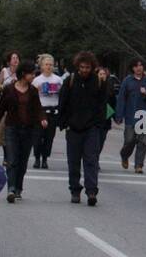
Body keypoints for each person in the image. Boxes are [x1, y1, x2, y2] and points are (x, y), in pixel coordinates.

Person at [0, 59, 47, 202]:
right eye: (31, 73)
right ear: (23, 74)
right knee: (12, 159)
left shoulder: (32, 91)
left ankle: (19, 187)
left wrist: (43, 118)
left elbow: (38, 108)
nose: (33, 76)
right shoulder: (9, 89)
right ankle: (11, 189)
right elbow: (0, 110)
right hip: (12, 128)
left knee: (23, 160)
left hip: (28, 129)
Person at [57, 51, 107, 205]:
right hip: (73, 128)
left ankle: (91, 191)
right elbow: (62, 103)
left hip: (91, 128)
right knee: (73, 162)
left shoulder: (98, 82)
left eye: (88, 67)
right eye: (82, 67)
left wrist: (99, 124)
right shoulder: (70, 81)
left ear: (92, 67)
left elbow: (102, 104)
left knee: (91, 160)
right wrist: (63, 123)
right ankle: (75, 190)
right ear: (78, 66)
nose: (85, 70)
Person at [115, 59, 146, 172]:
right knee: (129, 141)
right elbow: (121, 99)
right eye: (136, 66)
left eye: (141, 65)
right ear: (133, 68)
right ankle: (124, 156)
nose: (139, 68)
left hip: (143, 116)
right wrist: (119, 115)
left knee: (142, 142)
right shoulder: (127, 81)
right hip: (130, 116)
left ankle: (139, 165)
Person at [31, 53, 64, 169]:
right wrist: (38, 90)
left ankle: (45, 159)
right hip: (40, 111)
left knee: (49, 137)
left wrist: (60, 91)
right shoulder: (36, 80)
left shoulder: (58, 80)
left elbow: (63, 96)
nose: (49, 66)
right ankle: (37, 158)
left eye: (51, 64)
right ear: (42, 66)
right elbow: (31, 97)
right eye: (46, 64)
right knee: (37, 136)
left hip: (53, 111)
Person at [96, 64, 121, 154]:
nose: (102, 75)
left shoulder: (110, 88)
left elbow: (113, 104)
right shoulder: (93, 87)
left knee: (101, 140)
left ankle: (96, 158)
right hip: (94, 119)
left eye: (104, 74)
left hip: (105, 119)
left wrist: (116, 118)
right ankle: (92, 160)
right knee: (94, 141)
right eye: (100, 74)